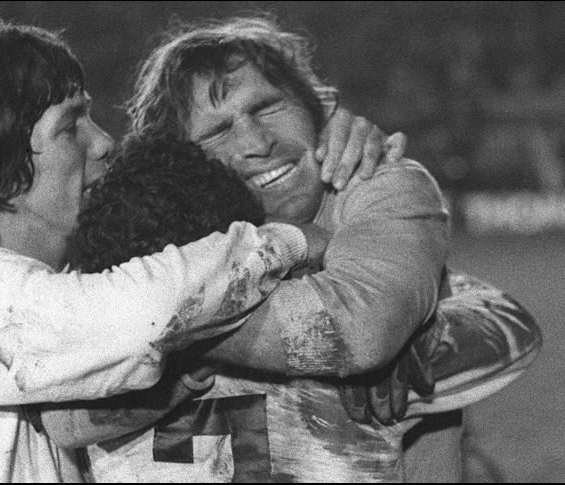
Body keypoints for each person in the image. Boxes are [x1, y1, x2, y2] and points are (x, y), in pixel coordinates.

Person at [0, 19, 398, 482]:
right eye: (71, 126)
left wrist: (351, 357)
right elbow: (144, 313)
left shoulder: (44, 293)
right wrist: (291, 242)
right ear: (2, 170)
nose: (104, 143)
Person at [40, 17, 540, 482]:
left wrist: (156, 331)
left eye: (267, 107)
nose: (256, 142)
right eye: (217, 131)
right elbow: (62, 413)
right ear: (175, 158)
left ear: (318, 109)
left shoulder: (374, 183)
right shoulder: (136, 236)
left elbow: (363, 327)